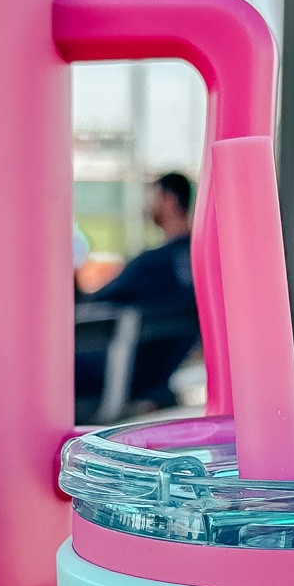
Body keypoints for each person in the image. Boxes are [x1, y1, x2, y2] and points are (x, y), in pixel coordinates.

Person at [75, 172, 199, 410]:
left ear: (170, 200)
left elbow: (93, 303)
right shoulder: (196, 263)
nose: (147, 204)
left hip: (116, 375)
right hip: (155, 376)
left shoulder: (152, 265)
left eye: (153, 196)